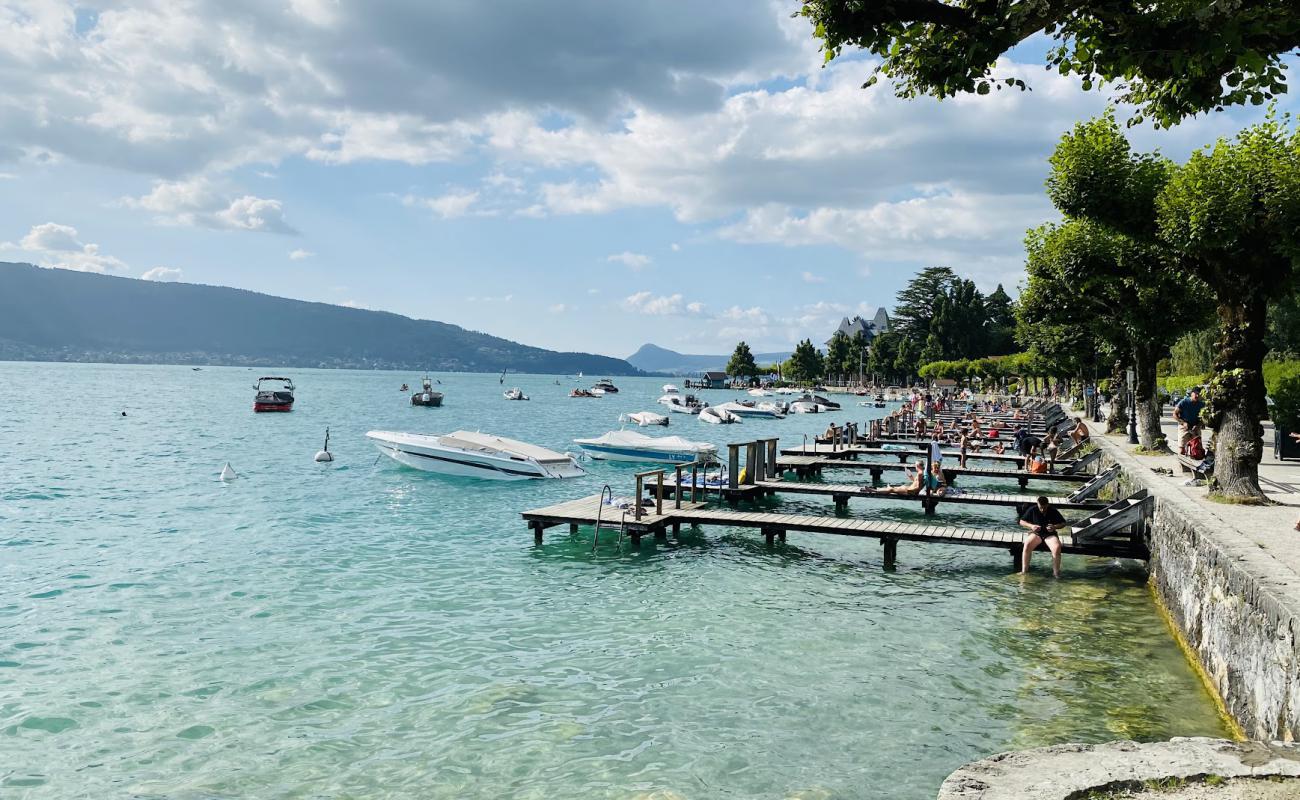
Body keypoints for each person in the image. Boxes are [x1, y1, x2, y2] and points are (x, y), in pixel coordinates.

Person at [1019, 496, 1066, 577]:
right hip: (1036, 534)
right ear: (1037, 504)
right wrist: (1031, 526)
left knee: (1057, 547)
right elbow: (1021, 521)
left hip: (1050, 535)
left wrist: (1054, 527)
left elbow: (1063, 523)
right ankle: (1024, 571)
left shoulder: (1053, 510)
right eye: (1040, 508)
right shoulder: (1033, 509)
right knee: (1027, 544)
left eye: (1044, 508)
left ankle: (1056, 573)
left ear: (1048, 504)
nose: (1042, 510)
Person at [1174, 388, 1205, 455]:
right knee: (1181, 449)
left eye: (1199, 394)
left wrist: (1198, 425)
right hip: (1184, 427)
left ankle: (1193, 463)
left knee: (1196, 449)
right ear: (1192, 394)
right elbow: (1174, 414)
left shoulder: (1202, 404)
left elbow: (1204, 418)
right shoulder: (1184, 402)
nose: (1197, 396)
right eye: (1196, 393)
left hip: (1195, 427)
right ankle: (1181, 464)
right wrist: (1183, 423)